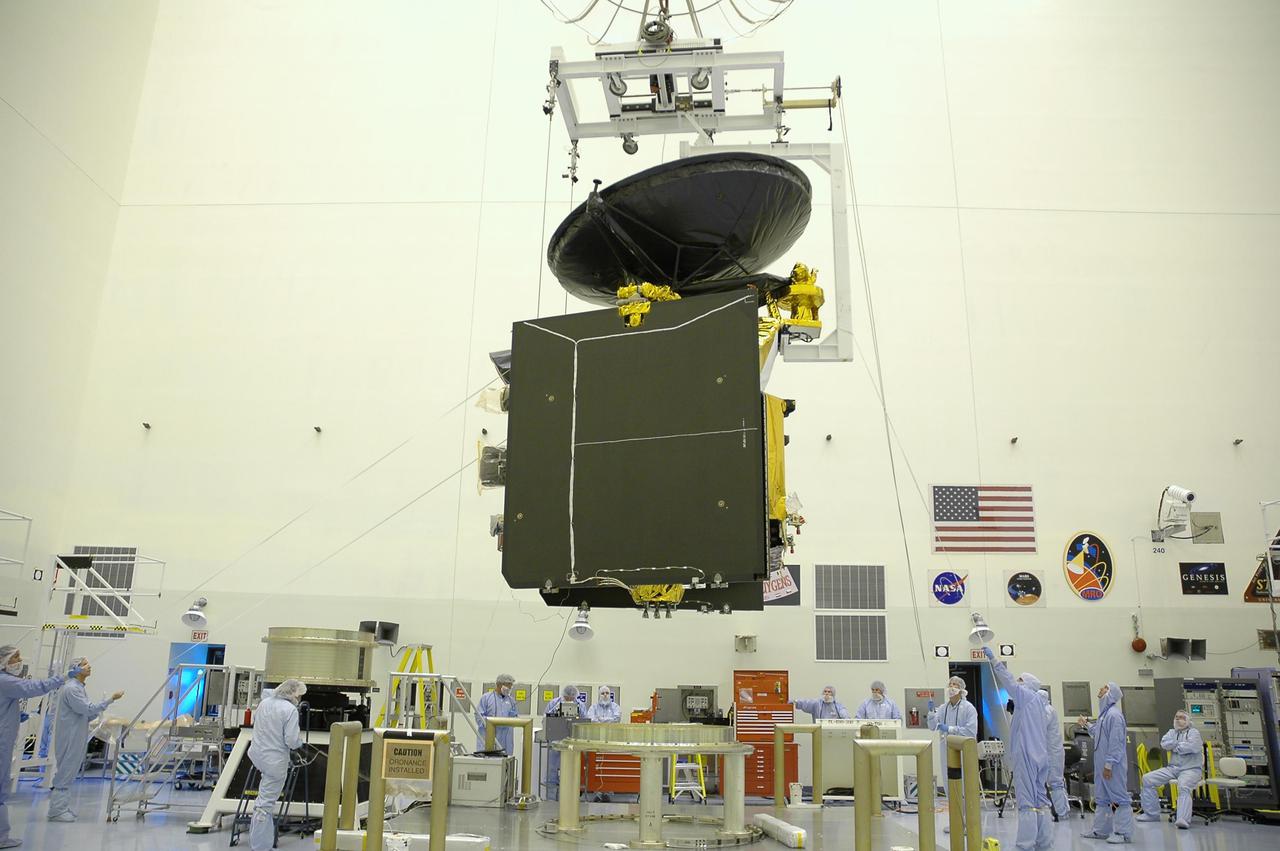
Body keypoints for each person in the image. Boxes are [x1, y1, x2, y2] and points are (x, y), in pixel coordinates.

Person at [0, 647, 76, 848]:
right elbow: (34, 687)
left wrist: (17, 715)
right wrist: (64, 677)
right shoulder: (5, 681)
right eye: (15, 656)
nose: (20, 659)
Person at [983, 646, 1053, 850]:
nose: (1018, 685)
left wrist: (994, 660)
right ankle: (1044, 843)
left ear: (1027, 685)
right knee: (1041, 802)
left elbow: (1009, 681)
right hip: (1040, 757)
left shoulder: (1027, 696)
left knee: (1027, 802)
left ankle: (1025, 844)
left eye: (1022, 682)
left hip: (1027, 756)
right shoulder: (1039, 704)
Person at [47, 658, 124, 821]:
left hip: (75, 734)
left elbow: (86, 713)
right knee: (66, 770)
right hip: (70, 736)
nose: (89, 666)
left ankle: (62, 807)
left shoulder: (79, 688)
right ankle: (57, 811)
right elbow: (87, 709)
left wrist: (100, 713)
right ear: (74, 669)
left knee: (70, 770)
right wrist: (110, 700)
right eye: (84, 664)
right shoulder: (72, 689)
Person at [246, 678, 306, 851]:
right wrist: (299, 744)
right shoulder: (289, 710)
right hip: (274, 761)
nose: (299, 698)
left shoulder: (265, 703)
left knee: (262, 800)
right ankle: (260, 846)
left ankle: (260, 842)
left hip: (257, 755)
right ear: (293, 693)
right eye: (299, 695)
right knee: (265, 805)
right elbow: (291, 740)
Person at [1079, 682, 1133, 844]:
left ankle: (1123, 833)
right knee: (1102, 798)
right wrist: (1087, 724)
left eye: (1104, 687)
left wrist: (1109, 765)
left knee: (1119, 798)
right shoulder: (1104, 715)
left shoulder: (1114, 716)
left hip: (1112, 765)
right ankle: (1101, 831)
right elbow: (1097, 732)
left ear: (1110, 693)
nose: (1100, 689)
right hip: (1102, 764)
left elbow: (1115, 743)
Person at [1137, 709, 1202, 829]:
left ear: (1188, 720)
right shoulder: (1171, 732)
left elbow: (1192, 747)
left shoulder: (1194, 733)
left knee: (1183, 786)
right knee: (1147, 779)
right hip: (1173, 768)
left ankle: (1183, 819)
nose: (1178, 719)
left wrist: (1175, 745)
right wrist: (1180, 745)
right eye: (1176, 717)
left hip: (1191, 769)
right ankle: (1151, 814)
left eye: (1182, 717)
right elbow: (1164, 744)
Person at [543, 685, 579, 800]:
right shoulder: (554, 703)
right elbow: (545, 719)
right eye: (567, 698)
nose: (569, 700)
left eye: (571, 698)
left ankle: (567, 800)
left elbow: (584, 720)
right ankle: (550, 800)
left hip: (571, 744)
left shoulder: (580, 705)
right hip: (555, 742)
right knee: (552, 772)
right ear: (563, 695)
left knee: (569, 773)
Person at [1039, 688, 1070, 818]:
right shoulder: (1047, 709)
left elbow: (1038, 726)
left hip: (1052, 754)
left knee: (1055, 782)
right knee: (1055, 782)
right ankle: (1061, 810)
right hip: (1050, 752)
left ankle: (1060, 812)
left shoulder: (1047, 710)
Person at [476, 673, 518, 754]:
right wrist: (491, 724)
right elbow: (479, 718)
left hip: (506, 744)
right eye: (508, 685)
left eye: (511, 686)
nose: (509, 688)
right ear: (499, 684)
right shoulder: (486, 698)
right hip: (488, 741)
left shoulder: (511, 701)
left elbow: (515, 719)